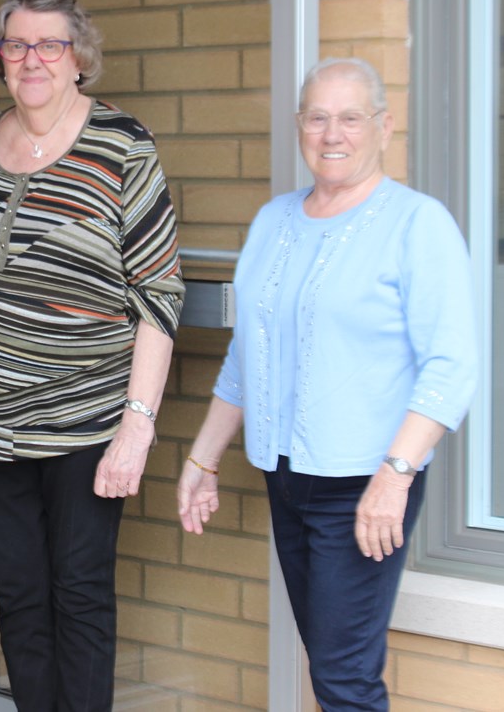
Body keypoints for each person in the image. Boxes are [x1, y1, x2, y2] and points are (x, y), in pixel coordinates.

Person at [177, 57, 477, 711]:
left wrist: (394, 476)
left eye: (349, 117)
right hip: (286, 477)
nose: (332, 133)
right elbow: (245, 357)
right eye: (317, 117)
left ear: (383, 127)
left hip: (364, 485)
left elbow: (451, 366)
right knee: (329, 662)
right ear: (298, 126)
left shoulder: (418, 224)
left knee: (344, 677)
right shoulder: (274, 221)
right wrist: (203, 459)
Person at [0, 0, 184, 711]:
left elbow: (158, 294)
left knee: (78, 598)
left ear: (78, 59)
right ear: (0, 59)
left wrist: (136, 426)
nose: (32, 59)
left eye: (50, 44)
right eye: (17, 45)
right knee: (17, 601)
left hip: (88, 423)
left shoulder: (121, 146)